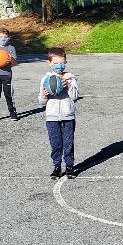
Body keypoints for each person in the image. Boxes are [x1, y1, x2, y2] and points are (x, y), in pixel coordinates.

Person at [38, 47, 80, 179]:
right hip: (51, 117)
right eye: (56, 63)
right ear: (49, 63)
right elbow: (41, 102)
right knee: (55, 143)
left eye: (61, 63)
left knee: (68, 142)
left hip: (68, 116)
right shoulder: (46, 79)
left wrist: (67, 85)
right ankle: (56, 166)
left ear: (66, 62)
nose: (59, 66)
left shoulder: (70, 78)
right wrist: (44, 95)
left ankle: (69, 166)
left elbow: (75, 96)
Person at [0, 27, 18, 122]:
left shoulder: (11, 48)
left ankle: (12, 112)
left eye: (5, 37)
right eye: (0, 37)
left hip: (7, 75)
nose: (3, 39)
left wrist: (10, 59)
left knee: (9, 95)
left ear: (9, 38)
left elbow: (14, 63)